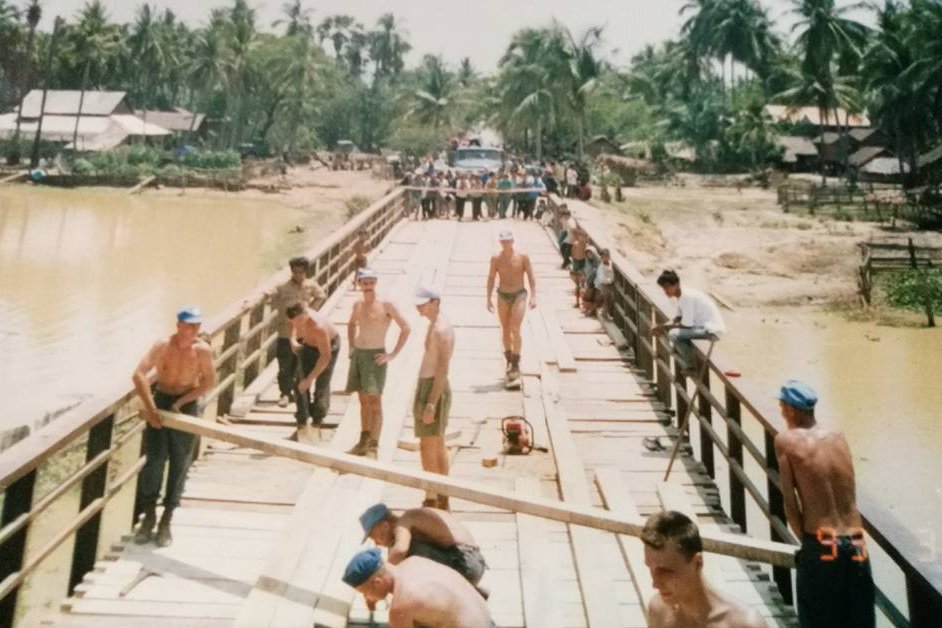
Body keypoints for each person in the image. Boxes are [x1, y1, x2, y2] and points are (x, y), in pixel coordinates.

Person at [774, 380, 875, 628]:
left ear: (791, 410)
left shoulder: (786, 440)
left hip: (822, 541)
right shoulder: (838, 435)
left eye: (781, 406)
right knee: (858, 618)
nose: (780, 412)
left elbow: (790, 503)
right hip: (857, 541)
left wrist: (808, 545)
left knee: (818, 619)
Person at [132, 306, 216, 547]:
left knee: (180, 463)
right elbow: (139, 375)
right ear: (178, 325)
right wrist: (151, 409)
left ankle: (167, 519)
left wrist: (182, 402)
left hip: (186, 403)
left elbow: (209, 382)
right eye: (189, 325)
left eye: (197, 326)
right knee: (155, 461)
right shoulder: (162, 345)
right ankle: (149, 516)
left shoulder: (202, 351)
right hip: (160, 399)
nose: (194, 330)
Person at [642, 510, 768, 628]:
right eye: (650, 569)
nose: (655, 584)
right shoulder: (658, 611)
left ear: (697, 563)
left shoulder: (744, 624)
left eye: (666, 572)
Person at [345, 269, 411, 456]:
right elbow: (350, 324)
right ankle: (363, 442)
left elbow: (406, 328)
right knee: (362, 400)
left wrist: (392, 355)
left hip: (375, 356)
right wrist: (351, 346)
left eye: (370, 283)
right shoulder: (357, 305)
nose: (367, 287)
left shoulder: (386, 304)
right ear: (359, 284)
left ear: (375, 283)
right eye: (364, 283)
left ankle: (374, 445)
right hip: (359, 355)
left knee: (375, 401)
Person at [358, 503, 488, 596]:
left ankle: (460, 591)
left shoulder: (404, 521)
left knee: (404, 556)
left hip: (465, 563)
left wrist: (380, 577)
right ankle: (469, 592)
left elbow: (400, 550)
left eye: (374, 537)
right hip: (471, 560)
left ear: (384, 526)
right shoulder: (413, 520)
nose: (376, 543)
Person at [342, 548, 494, 628]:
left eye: (364, 593)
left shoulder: (401, 606)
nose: (368, 598)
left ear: (377, 582)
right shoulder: (414, 561)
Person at [413, 287, 456, 510]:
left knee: (429, 445)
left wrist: (431, 403)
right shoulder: (433, 324)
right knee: (436, 443)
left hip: (433, 388)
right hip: (427, 385)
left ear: (435, 302)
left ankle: (434, 498)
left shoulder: (441, 330)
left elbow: (442, 369)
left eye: (423, 303)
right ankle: (439, 497)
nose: (418, 306)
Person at [269, 257, 327, 408]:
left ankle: (299, 392)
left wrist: (311, 311)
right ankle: (285, 393)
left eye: (301, 272)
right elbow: (270, 294)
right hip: (285, 331)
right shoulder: (283, 287)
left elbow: (321, 295)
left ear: (305, 272)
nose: (298, 275)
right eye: (295, 272)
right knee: (285, 362)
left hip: (304, 332)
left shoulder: (310, 285)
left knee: (301, 363)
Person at [650, 270, 726, 375]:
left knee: (674, 334)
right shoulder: (682, 295)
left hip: (711, 330)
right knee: (672, 332)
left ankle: (691, 366)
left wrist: (663, 329)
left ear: (676, 284)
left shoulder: (686, 297)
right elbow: (678, 318)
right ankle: (686, 357)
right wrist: (661, 326)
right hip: (702, 327)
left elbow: (686, 325)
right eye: (663, 288)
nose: (666, 291)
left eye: (667, 287)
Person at [486, 231, 537, 385]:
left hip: (519, 294)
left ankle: (515, 362)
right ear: (500, 242)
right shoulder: (496, 258)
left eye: (508, 241)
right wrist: (488, 298)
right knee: (505, 328)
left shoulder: (523, 257)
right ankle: (509, 358)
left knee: (515, 327)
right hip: (503, 295)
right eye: (503, 241)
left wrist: (533, 296)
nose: (505, 243)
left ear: (512, 241)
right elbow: (491, 278)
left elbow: (531, 275)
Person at [286, 302, 341, 434]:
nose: (297, 325)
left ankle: (317, 422)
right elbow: (290, 325)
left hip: (328, 347)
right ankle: (302, 422)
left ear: (305, 314)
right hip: (308, 344)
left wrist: (310, 379)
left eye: (300, 321)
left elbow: (325, 357)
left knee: (322, 382)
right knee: (298, 382)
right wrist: (292, 340)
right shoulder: (295, 319)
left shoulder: (318, 326)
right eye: (295, 322)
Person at [569, 229, 588, 308]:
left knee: (583, 284)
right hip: (576, 263)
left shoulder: (587, 246)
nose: (582, 238)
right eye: (580, 236)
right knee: (577, 285)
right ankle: (577, 302)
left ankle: (583, 302)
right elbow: (572, 253)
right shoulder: (575, 244)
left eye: (583, 236)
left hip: (583, 263)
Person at [595, 248, 615, 319]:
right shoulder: (601, 267)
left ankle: (607, 312)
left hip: (611, 284)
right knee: (606, 299)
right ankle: (605, 314)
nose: (606, 258)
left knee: (612, 299)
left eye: (607, 256)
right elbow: (601, 278)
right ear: (602, 257)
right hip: (604, 285)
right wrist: (608, 280)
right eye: (604, 257)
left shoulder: (610, 263)